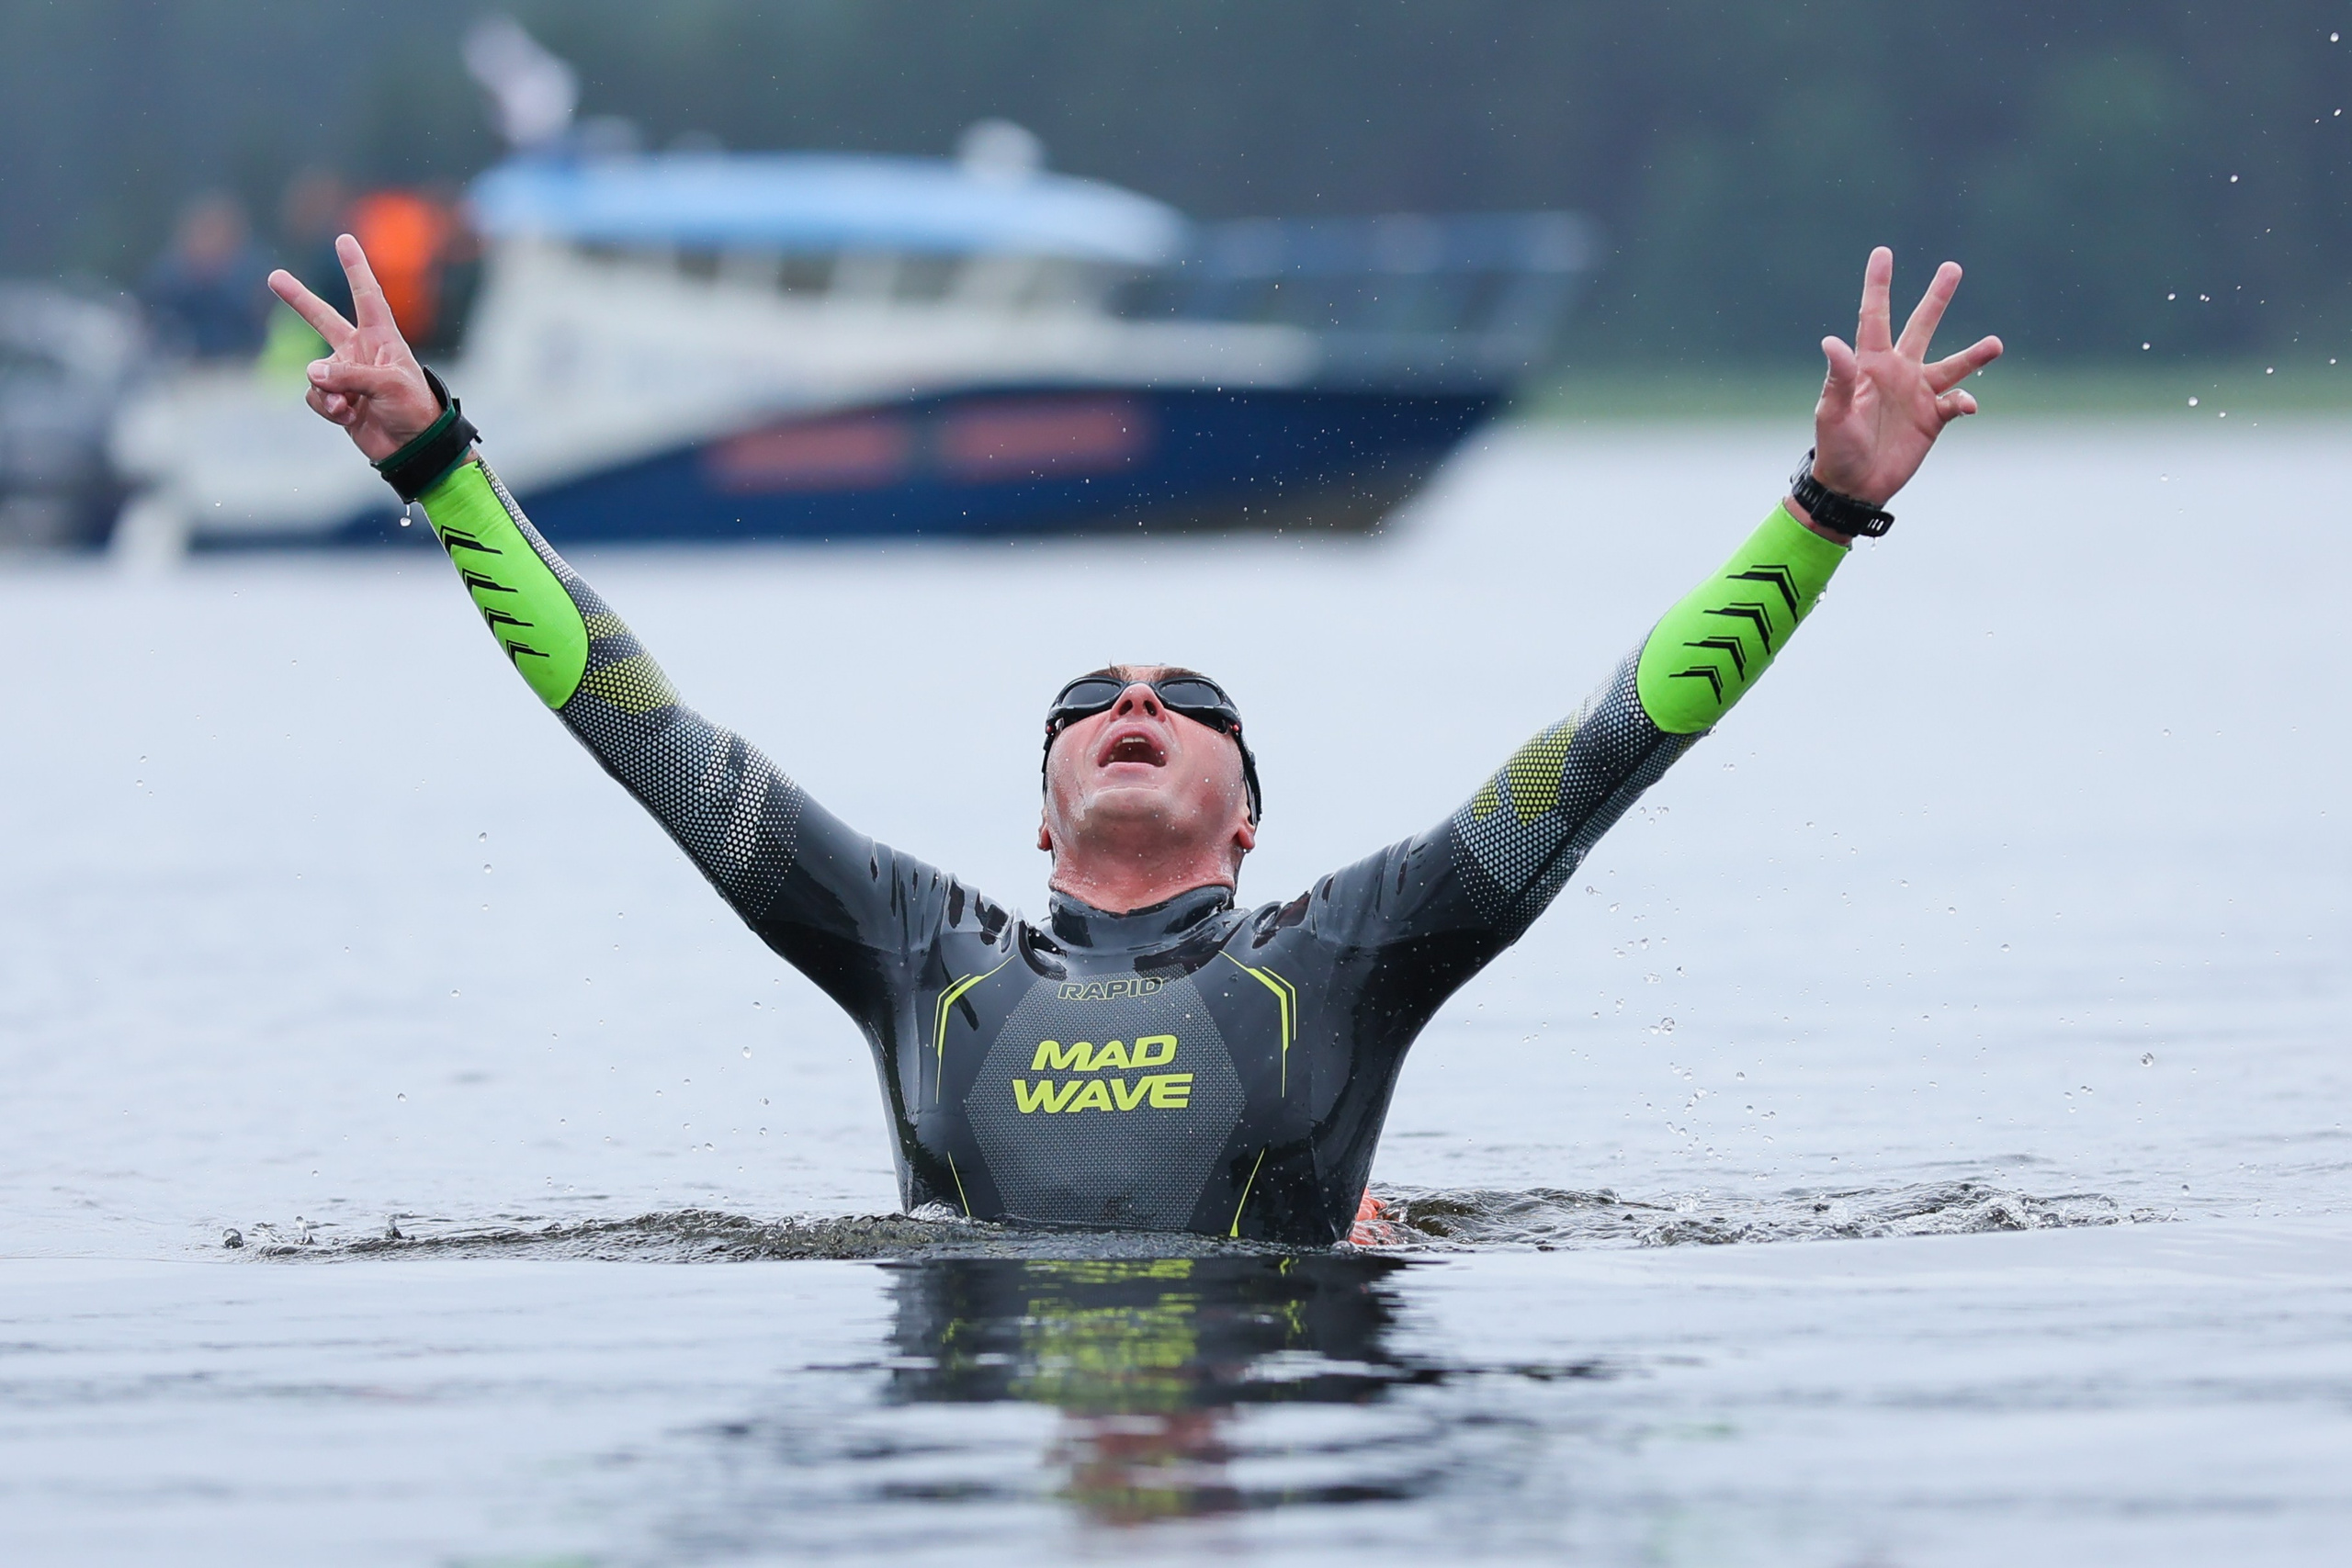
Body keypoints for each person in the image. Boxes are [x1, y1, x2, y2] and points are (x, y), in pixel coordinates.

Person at [268, 236, 2000, 1246]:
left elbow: (1607, 745)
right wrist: (439, 464)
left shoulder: (1348, 950)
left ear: (1248, 817)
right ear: (1040, 813)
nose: (1135, 706)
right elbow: (642, 725)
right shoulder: (916, 947)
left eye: (1191, 700)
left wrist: (1825, 507)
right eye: (1088, 700)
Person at [141, 193, 272, 361]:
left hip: (245, 367)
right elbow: (153, 326)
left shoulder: (255, 276)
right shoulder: (167, 280)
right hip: (182, 368)